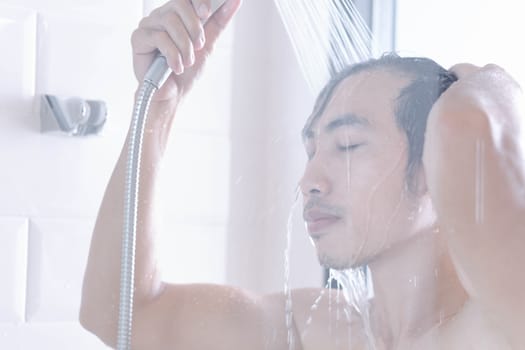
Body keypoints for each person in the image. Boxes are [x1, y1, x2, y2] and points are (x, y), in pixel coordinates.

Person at [79, 0, 525, 348]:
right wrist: (162, 102)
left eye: (348, 146)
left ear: (432, 164)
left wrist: (475, 79)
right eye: (311, 150)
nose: (310, 180)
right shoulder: (315, 330)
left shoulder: (496, 323)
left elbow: (466, 125)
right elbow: (118, 313)